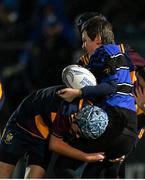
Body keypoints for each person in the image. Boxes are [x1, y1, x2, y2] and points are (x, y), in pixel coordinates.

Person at [53, 13, 137, 178]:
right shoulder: (123, 56)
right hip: (130, 131)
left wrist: (78, 92)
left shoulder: (102, 52)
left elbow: (111, 86)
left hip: (114, 123)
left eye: (85, 40)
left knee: (62, 166)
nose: (83, 45)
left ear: (98, 38)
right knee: (97, 174)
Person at [0, 85, 105, 179]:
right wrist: (87, 157)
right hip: (21, 128)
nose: (77, 136)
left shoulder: (92, 112)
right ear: (74, 118)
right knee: (3, 172)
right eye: (78, 132)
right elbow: (54, 144)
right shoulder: (66, 111)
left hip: (44, 136)